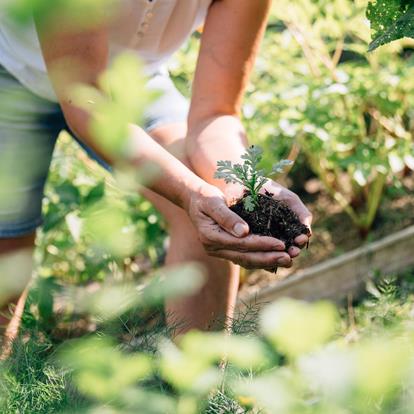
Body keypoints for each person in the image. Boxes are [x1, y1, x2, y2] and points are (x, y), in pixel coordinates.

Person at [0, 0, 312, 351]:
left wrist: (242, 186)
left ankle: (202, 392)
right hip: (12, 74)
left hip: (129, 79)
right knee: (6, 257)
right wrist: (189, 191)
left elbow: (215, 113)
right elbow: (85, 102)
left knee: (213, 211)